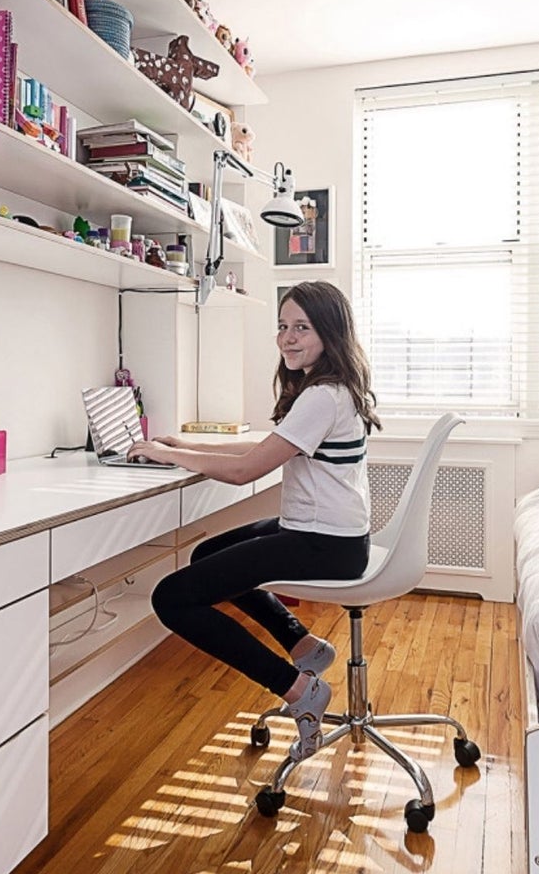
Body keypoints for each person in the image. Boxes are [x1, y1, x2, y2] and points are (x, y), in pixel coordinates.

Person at [135, 280, 381, 762]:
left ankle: (297, 688)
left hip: (323, 544)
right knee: (207, 554)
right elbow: (268, 447)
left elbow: (246, 470)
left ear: (329, 332)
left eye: (302, 328)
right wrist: (188, 447)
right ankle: (303, 645)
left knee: (171, 597)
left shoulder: (322, 396)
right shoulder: (332, 388)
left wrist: (171, 457)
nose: (288, 338)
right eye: (282, 326)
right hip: (331, 536)